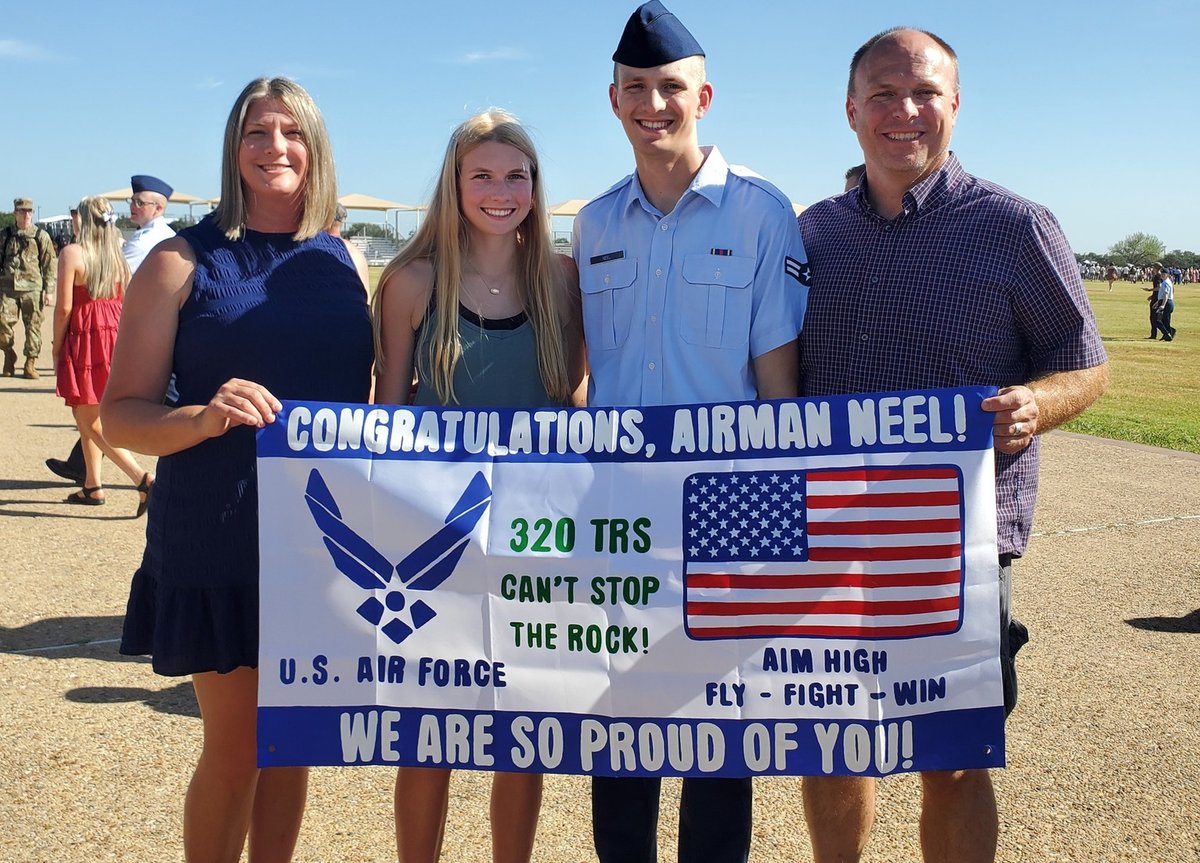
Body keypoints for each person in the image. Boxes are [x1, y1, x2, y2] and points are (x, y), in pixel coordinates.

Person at [796, 28, 1109, 863]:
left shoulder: (1015, 226)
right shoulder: (811, 233)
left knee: (954, 758)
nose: (904, 110)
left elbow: (1085, 362)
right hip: (829, 535)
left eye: (925, 93)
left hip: (957, 543)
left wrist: (1036, 403)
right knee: (833, 741)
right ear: (852, 110)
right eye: (884, 94)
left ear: (956, 105)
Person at [101, 77, 374, 862]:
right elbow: (121, 414)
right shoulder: (179, 260)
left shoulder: (345, 259)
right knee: (237, 744)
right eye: (257, 132)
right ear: (234, 147)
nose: (274, 147)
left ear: (315, 147)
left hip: (320, 533)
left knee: (292, 740)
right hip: (217, 529)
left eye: (292, 132)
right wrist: (204, 415)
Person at [572, 4, 808, 862]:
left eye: (670, 87)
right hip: (620, 506)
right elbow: (582, 376)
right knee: (619, 732)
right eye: (636, 88)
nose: (653, 104)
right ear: (614, 100)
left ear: (703, 96)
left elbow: (778, 383)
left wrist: (779, 529)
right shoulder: (594, 222)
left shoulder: (762, 212)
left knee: (721, 741)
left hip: (728, 505)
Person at [373, 108, 585, 863]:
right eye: (483, 175)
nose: (501, 191)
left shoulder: (563, 281)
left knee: (519, 732)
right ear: (454, 183)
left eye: (516, 176)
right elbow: (385, 420)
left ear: (535, 184)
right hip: (435, 538)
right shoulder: (412, 283)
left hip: (534, 535)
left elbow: (576, 405)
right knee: (429, 731)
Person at [52, 196, 153, 512]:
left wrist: (56, 346)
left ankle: (142, 479)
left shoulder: (73, 253)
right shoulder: (117, 257)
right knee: (86, 414)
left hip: (87, 334)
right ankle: (92, 485)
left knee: (89, 417)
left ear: (83, 220)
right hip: (113, 334)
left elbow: (64, 307)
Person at [1, 197, 56, 379]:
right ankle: (9, 354)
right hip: (8, 288)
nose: (26, 215)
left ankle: (30, 363)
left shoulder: (40, 236)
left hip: (32, 289)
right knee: (2, 325)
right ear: (15, 213)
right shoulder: (5, 235)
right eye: (22, 211)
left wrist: (49, 291)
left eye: (29, 211)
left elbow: (49, 264)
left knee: (33, 327)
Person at [123, 175, 177, 273]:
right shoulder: (170, 234)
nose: (132, 206)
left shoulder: (141, 242)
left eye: (140, 203)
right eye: (132, 201)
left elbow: (113, 275)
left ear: (158, 208)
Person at [1146, 262, 1176, 341]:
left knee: (1157, 319)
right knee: (1165, 320)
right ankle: (1168, 334)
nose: (1162, 275)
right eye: (1162, 274)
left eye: (1164, 274)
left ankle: (1167, 334)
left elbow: (1165, 294)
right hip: (1163, 301)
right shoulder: (1166, 281)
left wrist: (1162, 304)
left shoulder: (1165, 282)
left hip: (1165, 302)